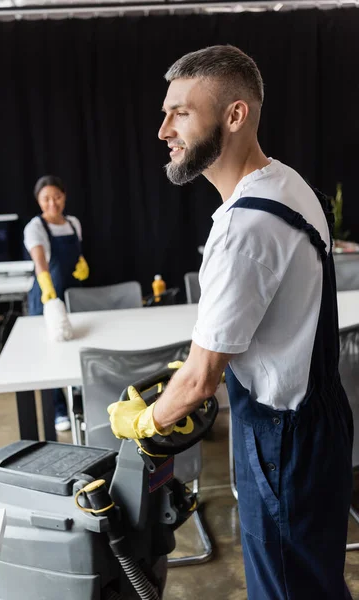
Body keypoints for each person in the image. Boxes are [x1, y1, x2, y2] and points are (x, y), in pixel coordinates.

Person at [107, 45, 353, 599]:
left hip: (281, 442)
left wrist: (146, 424)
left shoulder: (243, 229)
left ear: (234, 116)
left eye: (181, 113)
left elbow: (199, 382)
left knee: (286, 589)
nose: (164, 129)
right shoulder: (289, 184)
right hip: (318, 426)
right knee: (313, 583)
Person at [24, 175, 89, 432]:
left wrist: (82, 263)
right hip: (47, 296)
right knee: (52, 354)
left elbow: (77, 252)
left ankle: (78, 404)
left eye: (57, 197)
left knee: (78, 350)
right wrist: (48, 289)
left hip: (74, 293)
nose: (53, 203)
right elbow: (41, 262)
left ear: (65, 196)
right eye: (46, 198)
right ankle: (58, 410)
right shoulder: (35, 227)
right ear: (39, 201)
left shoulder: (73, 223)